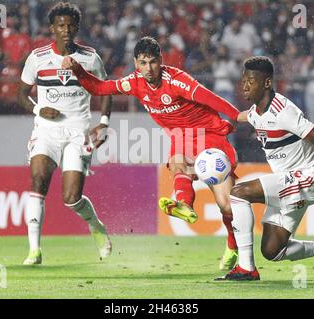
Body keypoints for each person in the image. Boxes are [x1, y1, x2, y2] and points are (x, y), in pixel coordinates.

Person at [62, 36, 241, 271]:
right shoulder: (135, 82)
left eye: (153, 62)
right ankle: (185, 205)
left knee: (226, 205)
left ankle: (233, 244)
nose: (149, 69)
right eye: (143, 63)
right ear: (136, 62)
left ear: (161, 61)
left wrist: (237, 116)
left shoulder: (177, 80)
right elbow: (99, 88)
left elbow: (212, 99)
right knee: (178, 164)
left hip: (209, 134)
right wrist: (77, 69)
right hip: (182, 137)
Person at [216, 56, 314, 281]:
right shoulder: (256, 112)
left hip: (307, 178)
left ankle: (246, 268)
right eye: (243, 81)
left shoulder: (283, 111)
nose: (244, 85)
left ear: (267, 83)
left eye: (250, 81)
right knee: (272, 250)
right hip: (290, 180)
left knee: (238, 193)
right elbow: (238, 117)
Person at [17, 2, 112, 265]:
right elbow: (21, 94)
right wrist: (38, 109)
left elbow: (105, 92)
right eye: (61, 25)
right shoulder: (37, 58)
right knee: (38, 181)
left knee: (71, 198)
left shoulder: (90, 58)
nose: (66, 29)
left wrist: (103, 123)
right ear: (52, 28)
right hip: (46, 131)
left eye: (70, 25)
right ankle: (34, 251)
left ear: (77, 27)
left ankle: (96, 226)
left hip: (78, 132)